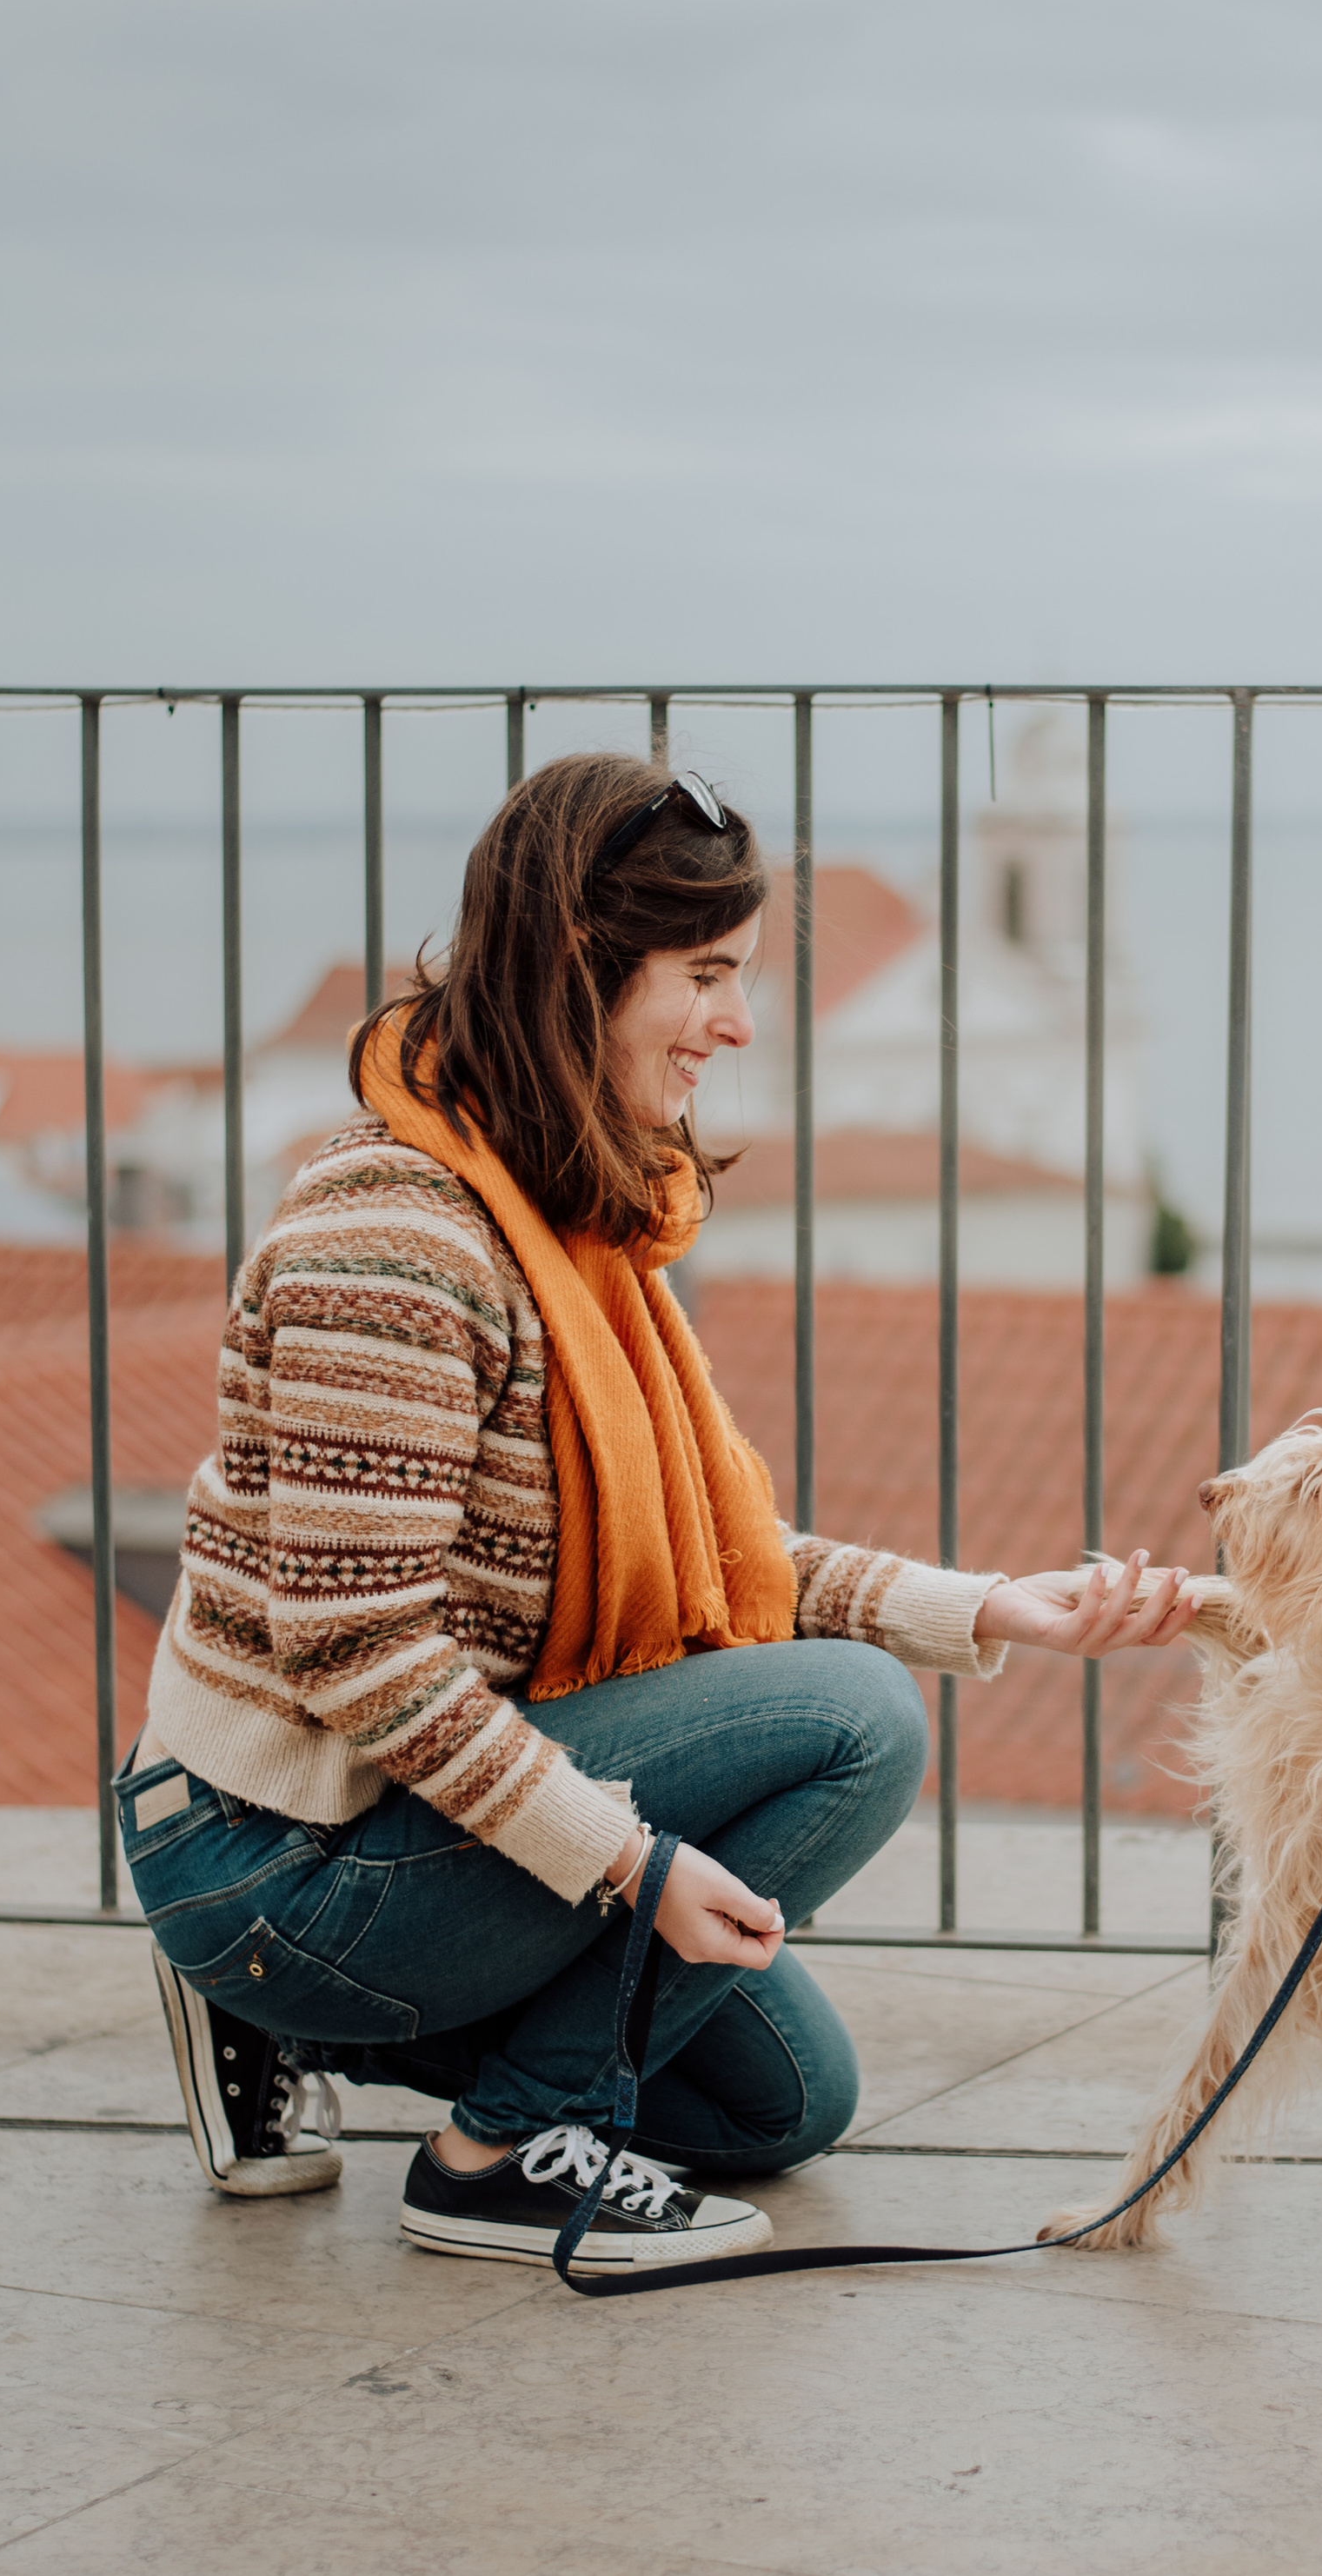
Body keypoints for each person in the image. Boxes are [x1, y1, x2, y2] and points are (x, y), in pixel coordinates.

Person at [128, 752, 1199, 2273]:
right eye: (706, 974)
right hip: (277, 1846)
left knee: (783, 2103)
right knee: (861, 1719)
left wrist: (989, 1606)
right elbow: (357, 1656)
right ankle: (485, 2151)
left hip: (418, 1813)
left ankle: (402, 2047)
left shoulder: (567, 1209)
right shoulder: (392, 1235)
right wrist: (633, 1865)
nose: (741, 1024)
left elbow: (721, 1559)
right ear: (581, 964)